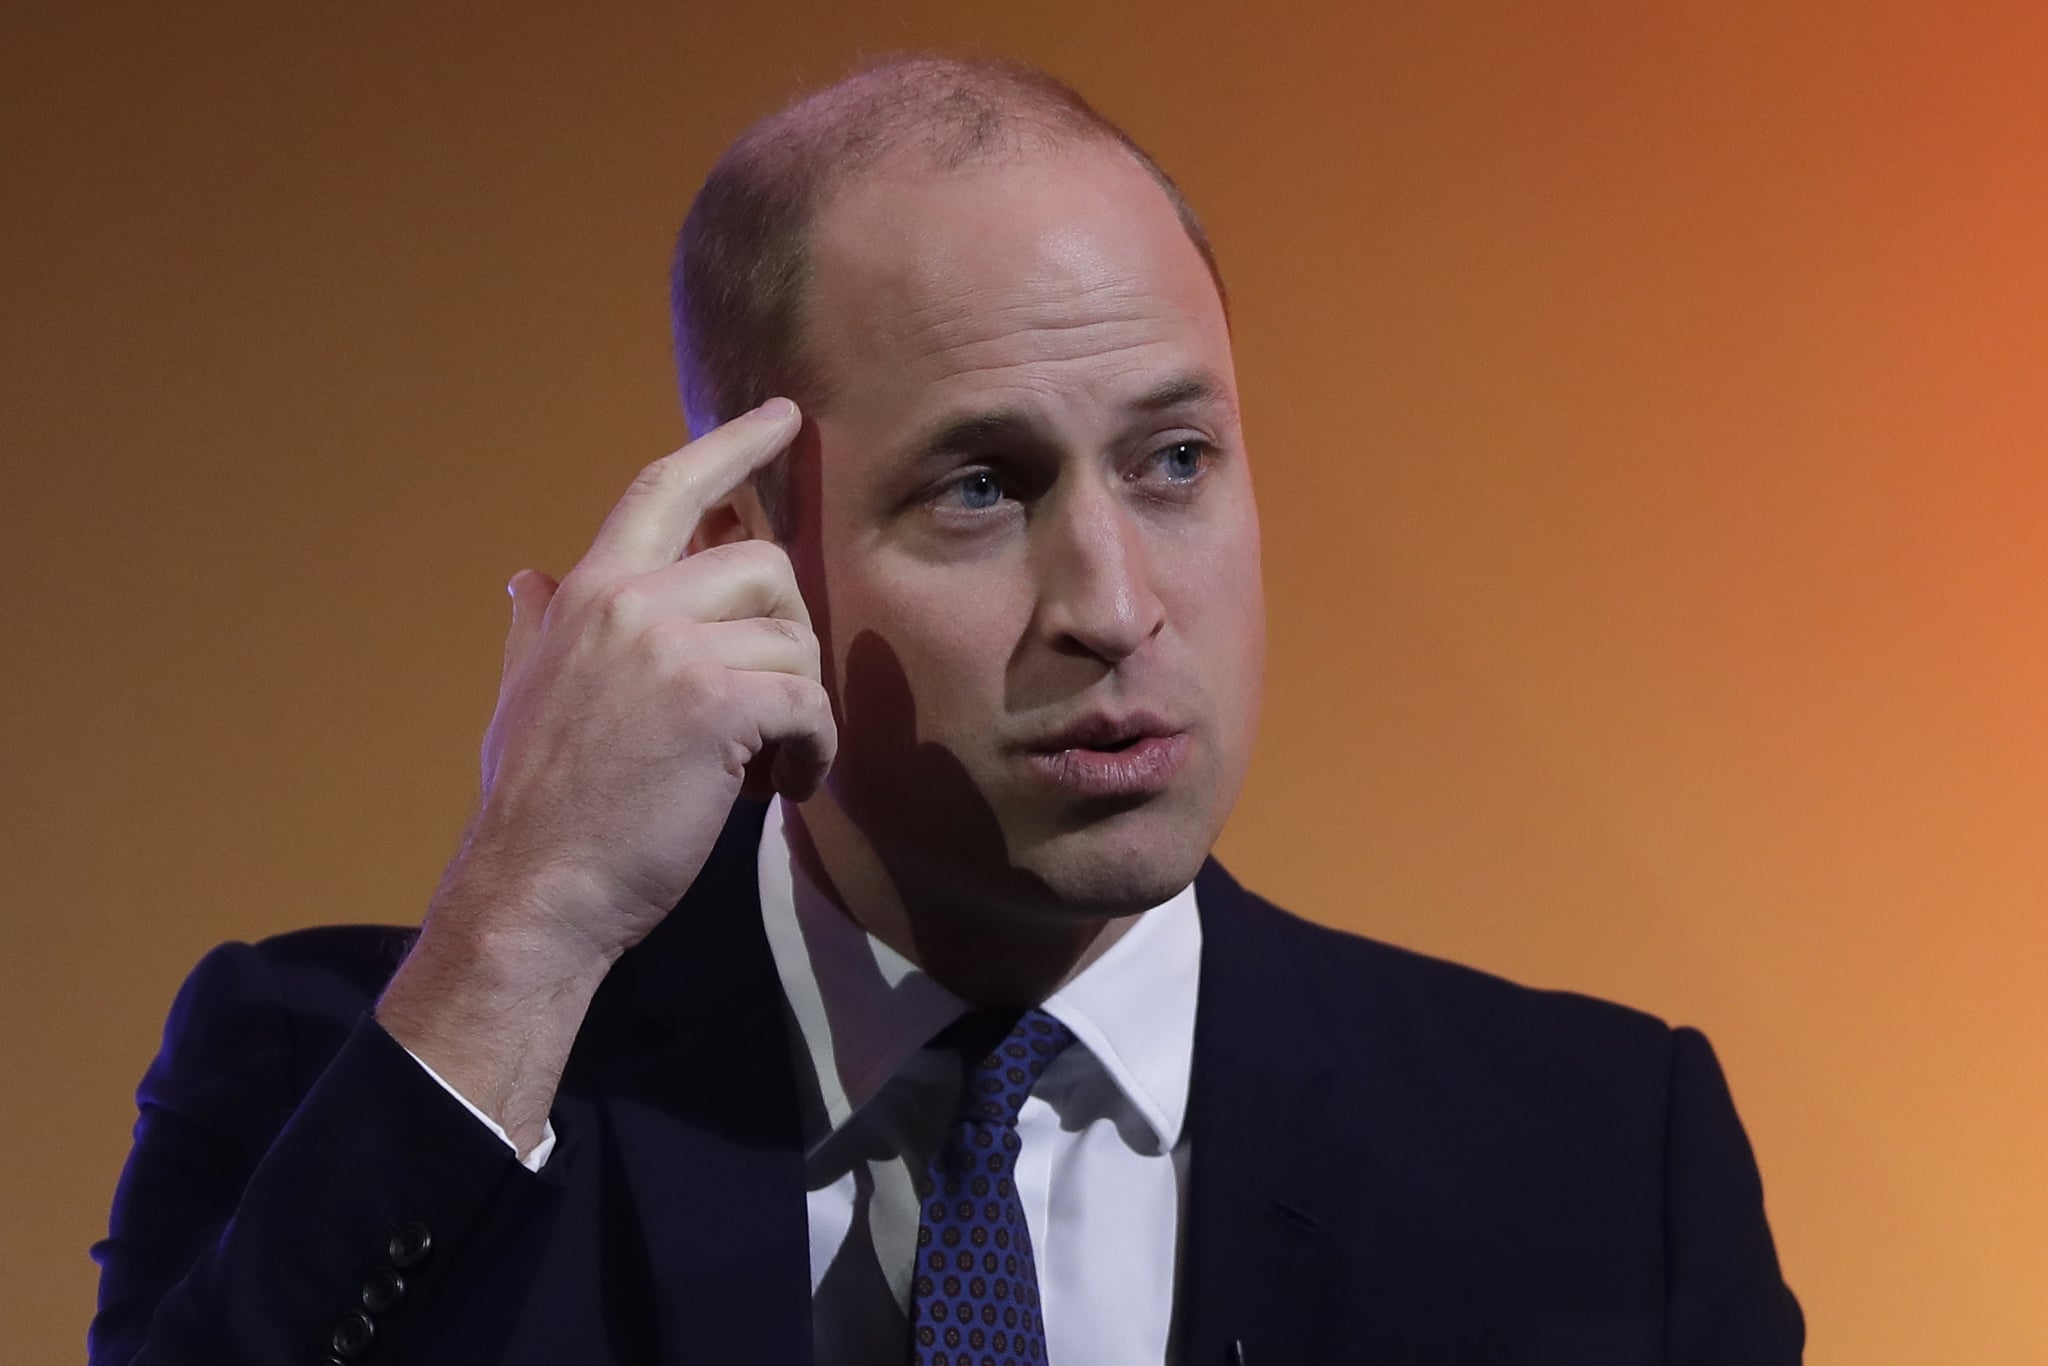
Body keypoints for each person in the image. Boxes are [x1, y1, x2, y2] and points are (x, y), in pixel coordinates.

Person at [90, 56, 1803, 1366]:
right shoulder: (348, 1070)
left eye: (1176, 459)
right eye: (982, 488)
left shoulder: (1596, 1158)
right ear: (754, 561)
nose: (1115, 605)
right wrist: (523, 928)